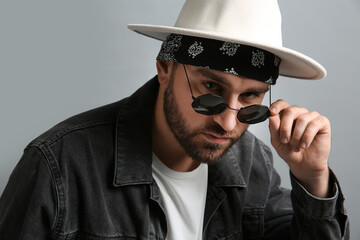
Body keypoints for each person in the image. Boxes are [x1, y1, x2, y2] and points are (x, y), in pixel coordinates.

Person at [0, 0, 349, 239]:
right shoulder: (58, 166)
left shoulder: (253, 163)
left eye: (250, 99)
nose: (228, 124)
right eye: (211, 88)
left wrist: (313, 179)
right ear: (165, 68)